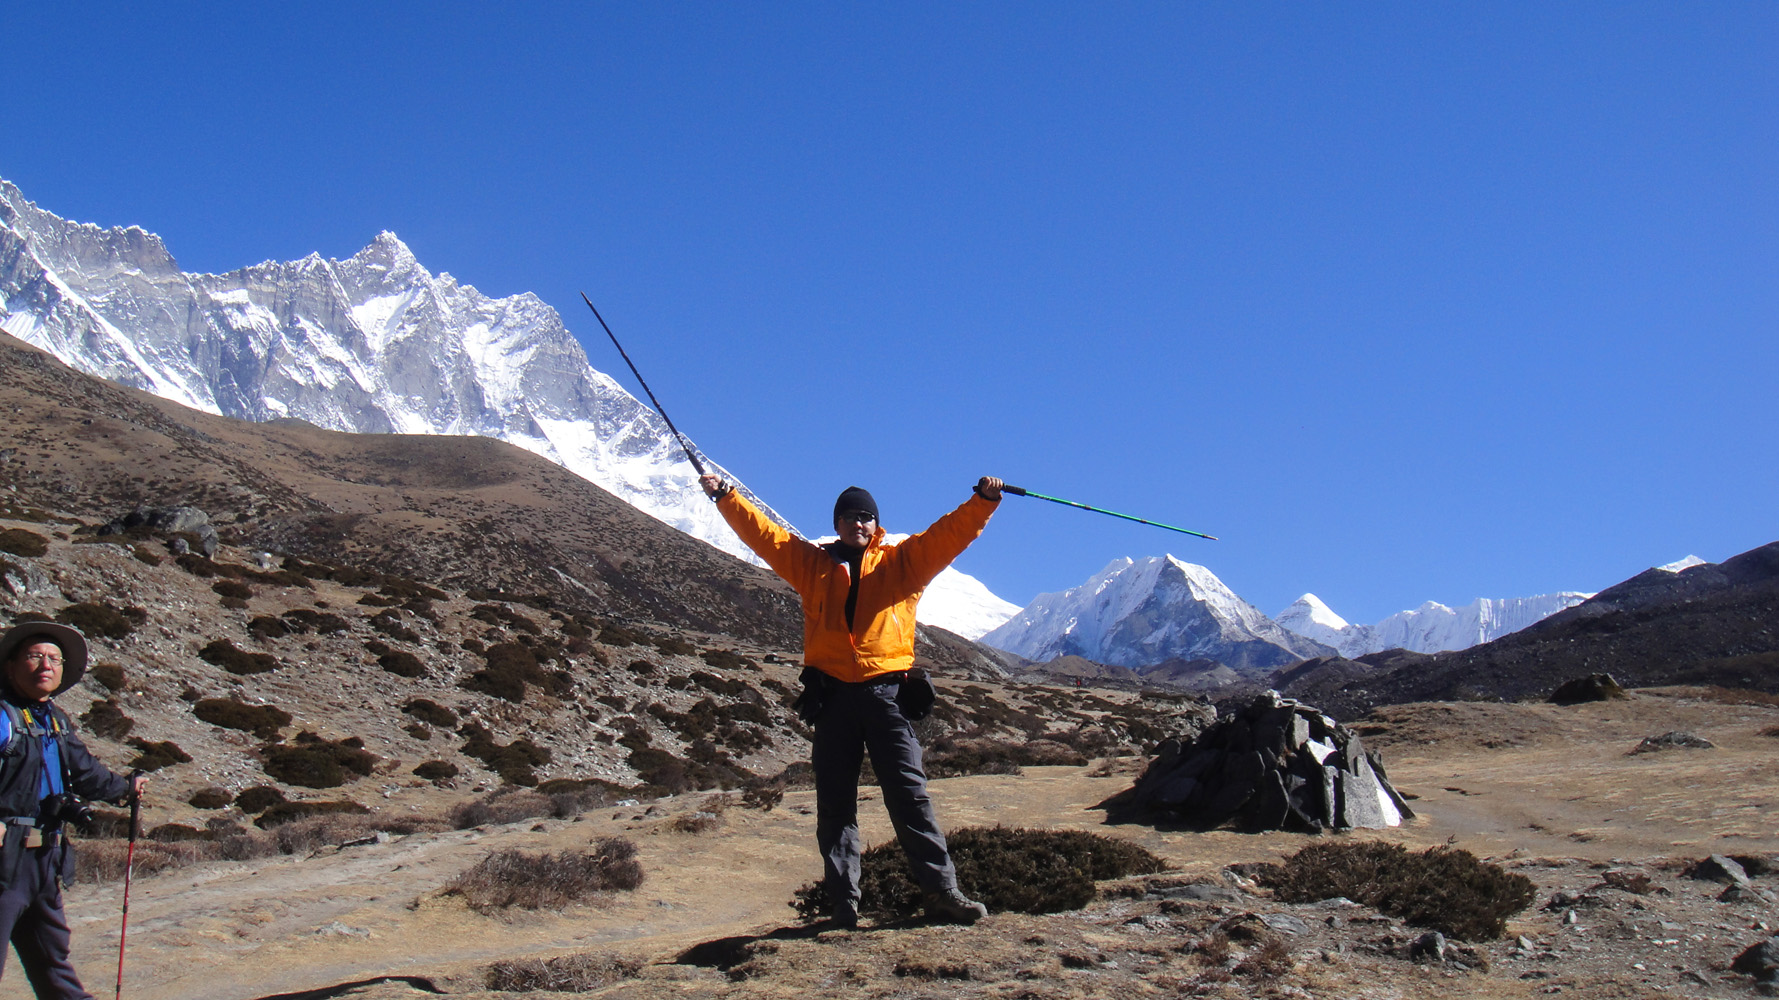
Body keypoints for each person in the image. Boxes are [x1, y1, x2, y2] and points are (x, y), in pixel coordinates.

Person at [700, 472, 1003, 927]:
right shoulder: (810, 564)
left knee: (910, 796)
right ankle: (843, 905)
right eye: (849, 517)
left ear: (876, 524)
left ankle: (942, 892)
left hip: (887, 696)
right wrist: (726, 497)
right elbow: (765, 536)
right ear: (838, 523)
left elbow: (948, 536)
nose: (857, 523)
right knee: (835, 803)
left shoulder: (904, 563)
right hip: (833, 697)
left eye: (865, 517)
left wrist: (982, 501)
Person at [0, 622, 147, 999]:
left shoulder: (55, 720)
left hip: (44, 858)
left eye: (53, 658)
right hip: (4, 858)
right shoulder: (3, 716)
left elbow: (86, 773)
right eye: (35, 656)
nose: (45, 665)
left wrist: (124, 789)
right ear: (11, 664)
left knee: (53, 963)